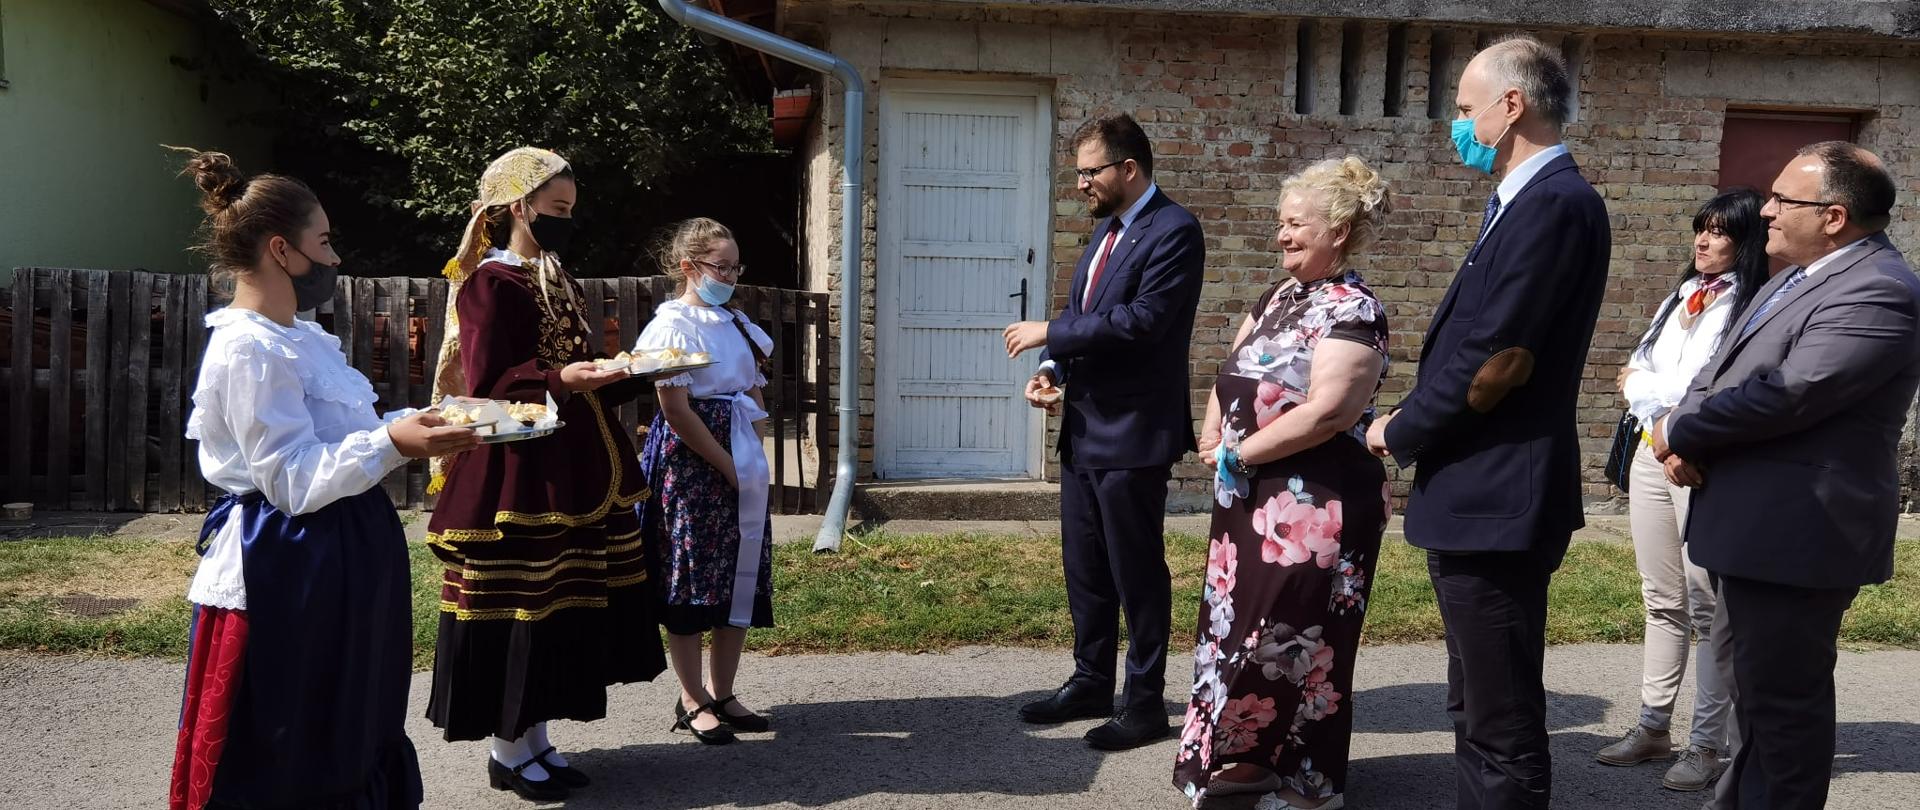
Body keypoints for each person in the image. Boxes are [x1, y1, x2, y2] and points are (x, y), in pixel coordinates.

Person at [167, 150, 479, 810]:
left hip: (343, 553)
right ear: (282, 250)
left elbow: (337, 440)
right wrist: (395, 442)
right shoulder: (247, 346)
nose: (335, 259)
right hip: (284, 564)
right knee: (298, 738)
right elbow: (289, 480)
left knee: (355, 719)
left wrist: (416, 422)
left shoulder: (302, 337)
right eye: (325, 242)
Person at [1363, 35, 1610, 809]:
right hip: (1475, 494)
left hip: (1499, 497)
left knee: (1499, 717)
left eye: (1467, 110)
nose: (1459, 125)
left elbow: (1495, 362)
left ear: (1513, 106)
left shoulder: (1556, 204)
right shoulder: (1518, 202)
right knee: (1474, 703)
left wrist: (1397, 431)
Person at [1655, 142, 1918, 810]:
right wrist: (1677, 425)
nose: (1765, 210)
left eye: (1781, 200)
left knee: (1784, 718)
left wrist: (1681, 431)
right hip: (1752, 532)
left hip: (1798, 537)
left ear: (1833, 216)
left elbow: (1791, 393)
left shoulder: (1879, 290)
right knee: (1756, 707)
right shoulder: (1791, 277)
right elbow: (1716, 372)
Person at [423, 147, 666, 802]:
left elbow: (575, 377)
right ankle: (507, 750)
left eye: (570, 210)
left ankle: (537, 741)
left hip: (574, 465)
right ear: (518, 208)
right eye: (556, 209)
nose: (565, 221)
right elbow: (490, 384)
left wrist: (629, 373)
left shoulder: (557, 275)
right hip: (520, 471)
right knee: (524, 605)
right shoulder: (491, 283)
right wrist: (564, 378)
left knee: (562, 603)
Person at [1173, 156, 1393, 810]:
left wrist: (1241, 452)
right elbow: (1232, 372)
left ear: (1341, 230)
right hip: (1249, 502)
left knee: (1301, 641)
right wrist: (1214, 436)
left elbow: (1330, 411)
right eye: (1281, 224)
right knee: (1238, 633)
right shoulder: (1276, 299)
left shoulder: (1355, 310)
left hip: (1318, 508)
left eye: (1297, 224)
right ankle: (1248, 758)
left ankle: (1311, 782)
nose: (1282, 236)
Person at [1002, 112, 1206, 751]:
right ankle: (1091, 680)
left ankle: (1144, 704)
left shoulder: (1174, 230)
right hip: (1085, 426)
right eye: (1078, 173)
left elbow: (1142, 320)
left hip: (1134, 430)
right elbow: (1082, 315)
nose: (1082, 183)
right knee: (1085, 566)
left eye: (1090, 171)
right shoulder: (1103, 234)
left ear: (1129, 168)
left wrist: (1049, 333)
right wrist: (1052, 366)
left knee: (1135, 569)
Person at [1594, 189, 1767, 791]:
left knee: (1706, 604)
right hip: (1653, 453)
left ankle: (1708, 744)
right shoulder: (1680, 295)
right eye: (1701, 228)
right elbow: (1634, 372)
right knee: (1660, 598)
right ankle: (1652, 726)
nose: (1703, 240)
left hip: (1699, 462)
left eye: (1719, 232)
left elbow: (1706, 387)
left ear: (1747, 243)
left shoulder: (1750, 306)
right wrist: (1656, 411)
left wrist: (1660, 407)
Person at [634, 218, 777, 746]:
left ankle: (724, 691)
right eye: (721, 266)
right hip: (694, 463)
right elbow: (675, 410)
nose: (731, 276)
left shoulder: (734, 322)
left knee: (740, 569)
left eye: (736, 266)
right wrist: (727, 464)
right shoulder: (672, 326)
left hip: (738, 454)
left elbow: (753, 392)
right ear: (687, 267)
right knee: (692, 577)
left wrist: (754, 457)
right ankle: (691, 698)